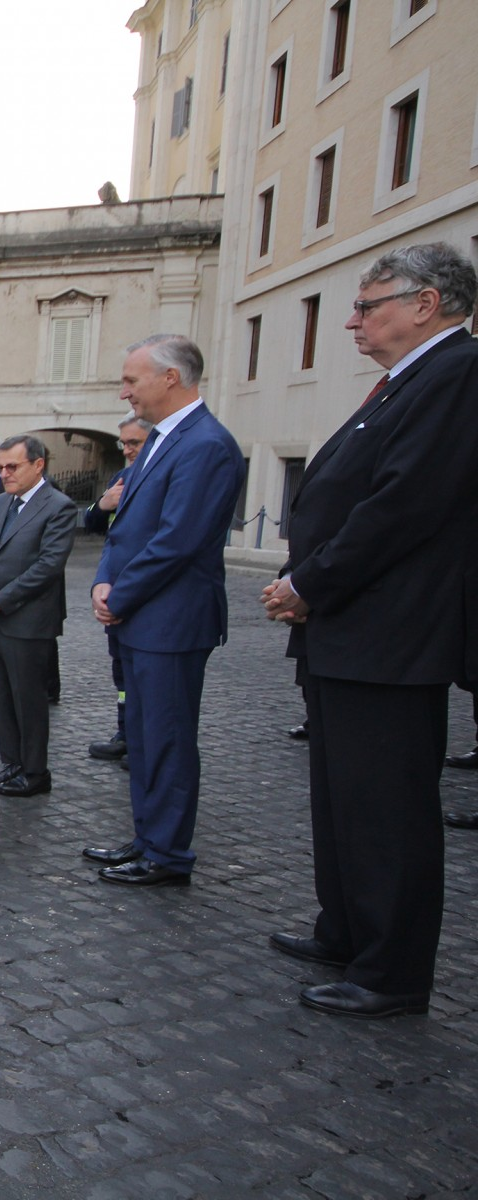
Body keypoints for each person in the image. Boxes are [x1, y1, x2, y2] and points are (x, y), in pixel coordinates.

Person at [262, 243, 478, 1018]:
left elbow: (401, 506)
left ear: (426, 303)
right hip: (350, 630)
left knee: (387, 808)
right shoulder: (406, 382)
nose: (352, 320)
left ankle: (391, 970)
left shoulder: (455, 375)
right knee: (341, 797)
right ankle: (347, 927)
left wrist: (308, 582)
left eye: (367, 304)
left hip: (389, 632)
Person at [85, 334, 244, 888]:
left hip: (169, 621)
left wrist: (119, 596)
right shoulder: (159, 440)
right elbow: (125, 524)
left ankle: (168, 853)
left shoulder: (205, 444)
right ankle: (147, 836)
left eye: (132, 380)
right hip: (139, 616)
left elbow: (178, 541)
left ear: (170, 378)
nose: (124, 391)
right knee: (145, 738)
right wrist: (103, 581)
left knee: (168, 739)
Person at [0, 435, 78, 797]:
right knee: (1, 697)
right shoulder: (0, 504)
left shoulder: (58, 507)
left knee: (28, 700)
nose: (4, 473)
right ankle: (13, 763)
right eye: (1, 466)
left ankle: (35, 772)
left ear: (38, 465)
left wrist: (1, 599)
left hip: (27, 619)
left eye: (12, 466)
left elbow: (48, 565)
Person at [83, 415, 152, 762]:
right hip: (116, 593)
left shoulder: (158, 478)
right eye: (123, 444)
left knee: (145, 678)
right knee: (121, 673)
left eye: (134, 443)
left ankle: (141, 742)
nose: (127, 451)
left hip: (144, 596)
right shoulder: (121, 480)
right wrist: (102, 504)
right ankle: (125, 733)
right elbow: (96, 527)